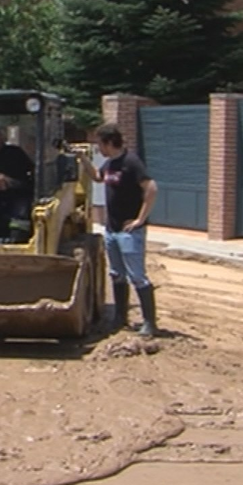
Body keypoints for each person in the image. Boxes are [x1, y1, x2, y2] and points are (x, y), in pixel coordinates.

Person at [82, 123, 159, 338]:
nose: (99, 148)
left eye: (99, 144)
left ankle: (150, 323)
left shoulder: (131, 162)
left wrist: (140, 219)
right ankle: (120, 318)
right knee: (116, 275)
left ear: (108, 142)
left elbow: (151, 188)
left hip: (129, 232)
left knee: (137, 276)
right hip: (112, 229)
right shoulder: (111, 163)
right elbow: (98, 177)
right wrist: (82, 159)